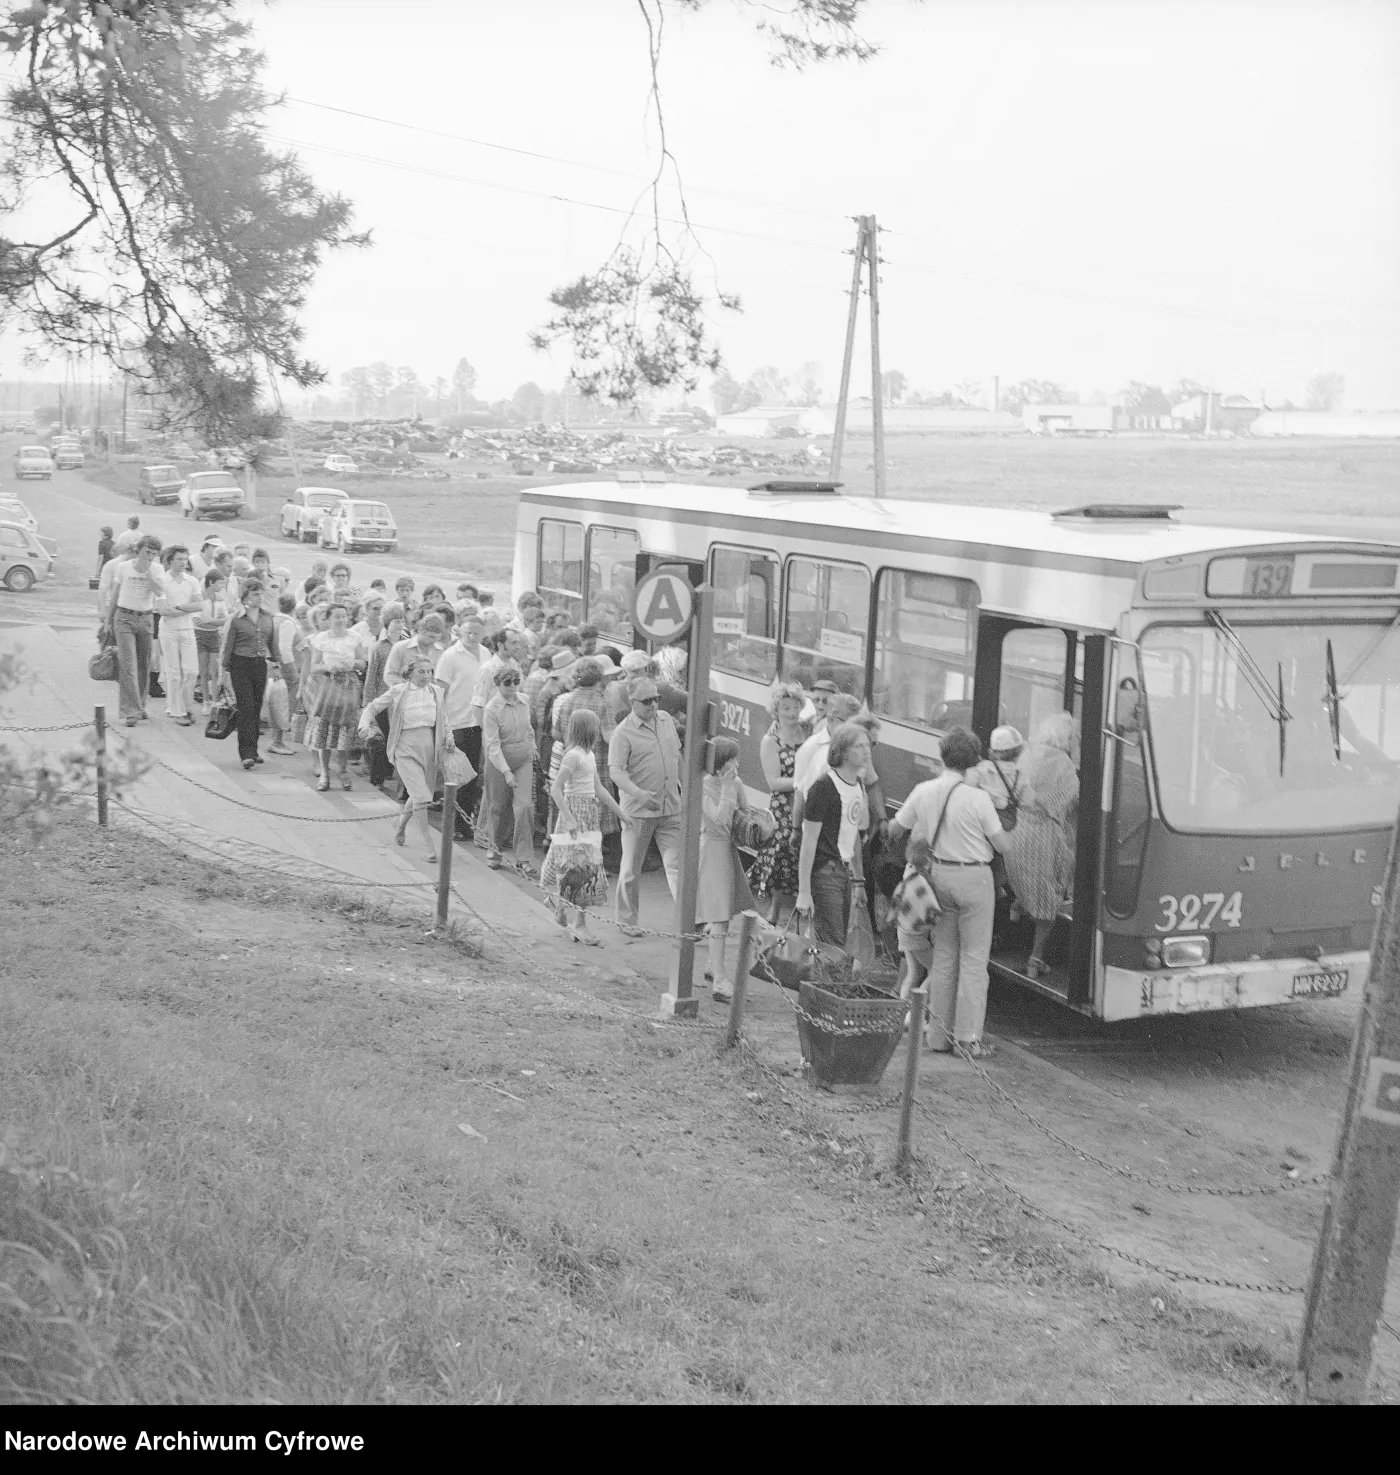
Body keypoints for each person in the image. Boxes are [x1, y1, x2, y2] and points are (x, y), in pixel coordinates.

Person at [888, 727, 1012, 1059]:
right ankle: (967, 1039)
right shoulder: (978, 797)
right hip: (974, 879)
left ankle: (938, 1037)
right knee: (973, 959)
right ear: (974, 759)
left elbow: (895, 828)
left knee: (943, 958)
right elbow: (1003, 845)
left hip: (938, 875)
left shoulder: (924, 790)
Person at [1003, 712, 1079, 979]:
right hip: (1041, 835)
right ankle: (1036, 959)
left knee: (1030, 878)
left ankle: (1019, 902)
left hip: (1017, 832)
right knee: (1055, 890)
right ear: (1066, 738)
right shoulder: (1065, 765)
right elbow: (1063, 805)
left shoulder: (1027, 755)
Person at [542, 709, 626, 945]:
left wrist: (621, 813)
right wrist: (569, 818)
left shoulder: (587, 755)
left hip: (589, 812)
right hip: (576, 812)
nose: (599, 732)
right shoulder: (574, 756)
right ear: (588, 729)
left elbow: (598, 788)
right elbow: (557, 789)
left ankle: (567, 912)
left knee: (585, 870)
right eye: (596, 727)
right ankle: (575, 920)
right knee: (577, 869)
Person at [359, 654, 454, 862]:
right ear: (409, 673)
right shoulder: (398, 691)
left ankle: (401, 824)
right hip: (404, 745)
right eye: (421, 671)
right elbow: (372, 707)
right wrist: (364, 725)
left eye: (429, 671)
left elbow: (443, 719)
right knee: (422, 797)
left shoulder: (436, 692)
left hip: (429, 745)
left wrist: (449, 736)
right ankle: (429, 845)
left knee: (421, 793)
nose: (426, 675)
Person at [609, 677, 683, 934]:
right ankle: (626, 921)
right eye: (647, 700)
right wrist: (639, 794)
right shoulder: (623, 733)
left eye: (656, 699)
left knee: (677, 865)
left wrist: (686, 791)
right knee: (631, 867)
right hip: (638, 811)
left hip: (671, 805)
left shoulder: (666, 721)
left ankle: (688, 921)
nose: (654, 704)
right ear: (632, 703)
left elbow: (677, 757)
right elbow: (616, 773)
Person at [795, 722, 872, 947]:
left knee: (837, 941)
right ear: (843, 751)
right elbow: (808, 841)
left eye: (868, 745)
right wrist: (803, 891)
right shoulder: (824, 787)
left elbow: (856, 833)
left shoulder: (858, 784)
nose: (866, 751)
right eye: (859, 746)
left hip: (846, 871)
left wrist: (859, 882)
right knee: (832, 942)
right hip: (826, 870)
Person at [698, 737, 757, 1002]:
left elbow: (744, 812)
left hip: (727, 849)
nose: (737, 762)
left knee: (724, 913)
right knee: (719, 915)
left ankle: (714, 966)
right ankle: (720, 981)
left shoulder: (736, 783)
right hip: (712, 848)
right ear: (720, 762)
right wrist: (726, 788)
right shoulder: (705, 786)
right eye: (732, 758)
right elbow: (718, 818)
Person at [749, 680, 808, 922]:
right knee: (783, 854)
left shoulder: (807, 732)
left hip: (806, 802)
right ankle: (774, 911)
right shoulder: (770, 741)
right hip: (784, 808)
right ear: (776, 711)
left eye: (795, 707)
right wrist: (803, 780)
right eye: (786, 708)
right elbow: (773, 783)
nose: (792, 713)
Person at [102, 534, 167, 726]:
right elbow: (115, 593)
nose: (150, 556)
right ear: (139, 550)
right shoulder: (124, 567)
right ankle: (130, 711)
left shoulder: (157, 569)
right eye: (147, 552)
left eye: (154, 554)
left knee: (144, 663)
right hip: (124, 617)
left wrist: (148, 573)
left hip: (145, 617)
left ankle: (139, 705)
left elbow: (159, 592)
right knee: (128, 664)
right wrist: (108, 619)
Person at [482, 663, 537, 875]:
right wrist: (505, 771)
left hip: (522, 758)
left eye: (516, 682)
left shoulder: (524, 701)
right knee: (498, 807)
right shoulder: (492, 709)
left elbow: (529, 728)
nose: (513, 686)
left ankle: (523, 857)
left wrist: (531, 746)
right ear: (497, 684)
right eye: (507, 683)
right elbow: (492, 745)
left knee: (524, 807)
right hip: (499, 760)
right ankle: (494, 851)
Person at [437, 609, 487, 839]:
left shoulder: (486, 654)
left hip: (479, 723)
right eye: (469, 632)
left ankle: (464, 823)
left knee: (473, 776)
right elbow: (440, 690)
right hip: (456, 722)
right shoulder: (450, 656)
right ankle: (453, 824)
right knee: (457, 776)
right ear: (461, 631)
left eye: (477, 632)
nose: (473, 637)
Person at [217, 577, 276, 769]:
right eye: (255, 594)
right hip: (240, 664)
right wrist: (223, 673)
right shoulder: (236, 619)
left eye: (261, 593)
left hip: (259, 664)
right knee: (246, 707)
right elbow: (228, 647)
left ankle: (254, 749)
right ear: (245, 596)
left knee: (257, 706)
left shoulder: (267, 616)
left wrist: (277, 662)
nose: (259, 597)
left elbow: (272, 642)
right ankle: (246, 752)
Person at [305, 602, 364, 791]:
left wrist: (353, 663)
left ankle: (343, 769)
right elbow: (314, 666)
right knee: (324, 729)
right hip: (328, 686)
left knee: (346, 730)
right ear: (329, 619)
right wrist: (329, 667)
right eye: (337, 616)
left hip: (348, 685)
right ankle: (324, 772)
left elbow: (363, 663)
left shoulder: (354, 637)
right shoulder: (321, 639)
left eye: (344, 616)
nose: (341, 620)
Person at [156, 545, 202, 725]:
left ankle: (186, 705)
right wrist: (185, 608)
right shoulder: (163, 581)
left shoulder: (191, 581)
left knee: (191, 670)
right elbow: (163, 610)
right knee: (174, 671)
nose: (184, 562)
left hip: (187, 629)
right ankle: (177, 711)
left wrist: (178, 607)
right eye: (179, 559)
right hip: (169, 630)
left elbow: (199, 605)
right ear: (169, 561)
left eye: (185, 558)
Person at [193, 570, 229, 707]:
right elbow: (197, 621)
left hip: (213, 635)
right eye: (220, 583)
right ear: (211, 582)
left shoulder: (220, 600)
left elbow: (225, 619)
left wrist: (210, 621)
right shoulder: (200, 599)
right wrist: (215, 621)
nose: (222, 586)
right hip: (200, 635)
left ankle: (214, 700)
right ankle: (206, 701)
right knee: (203, 671)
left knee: (214, 671)